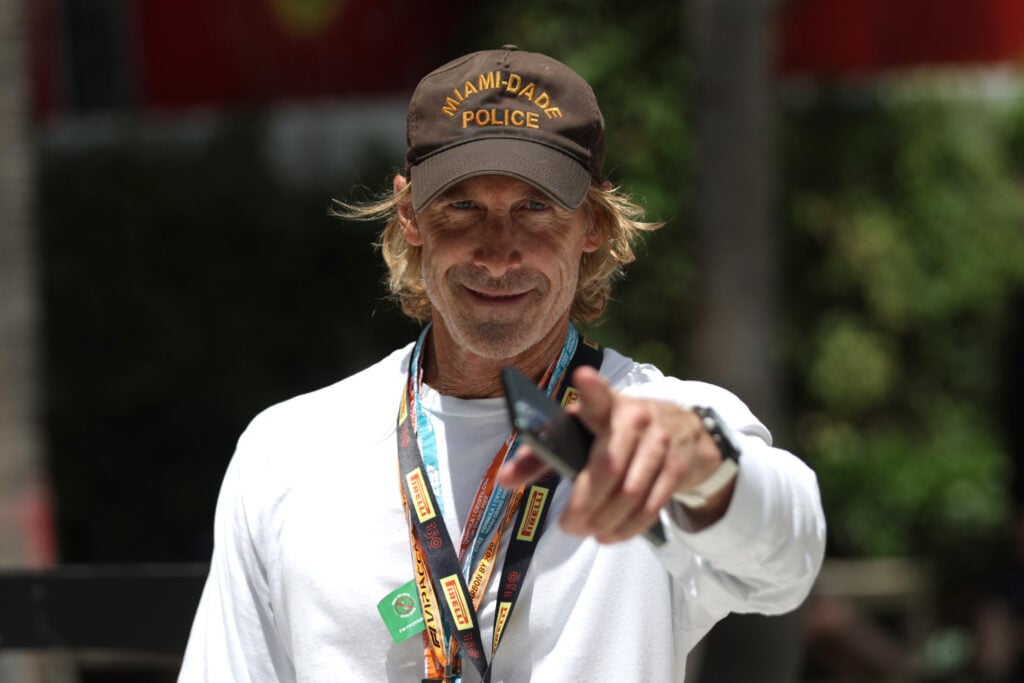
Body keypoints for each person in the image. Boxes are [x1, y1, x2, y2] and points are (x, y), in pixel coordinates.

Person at [179, 45, 826, 682]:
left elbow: (790, 557)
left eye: (535, 206)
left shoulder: (657, 432)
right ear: (410, 213)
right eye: (463, 205)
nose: (497, 252)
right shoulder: (288, 451)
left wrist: (707, 466)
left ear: (593, 221)